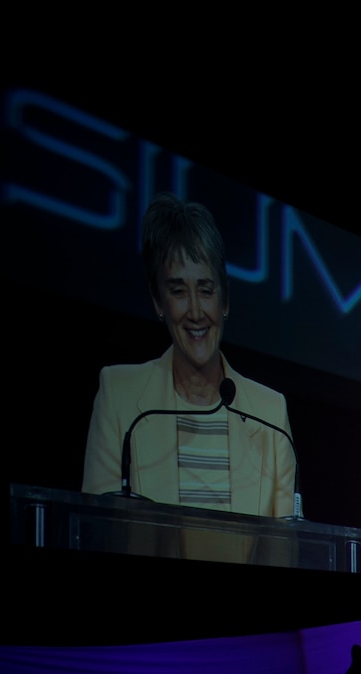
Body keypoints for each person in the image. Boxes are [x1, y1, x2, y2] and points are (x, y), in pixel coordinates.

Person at [81, 192, 296, 517]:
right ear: (158, 302)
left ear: (224, 302)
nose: (196, 311)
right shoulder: (119, 395)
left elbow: (284, 551)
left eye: (206, 290)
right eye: (178, 291)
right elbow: (98, 529)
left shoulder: (270, 414)